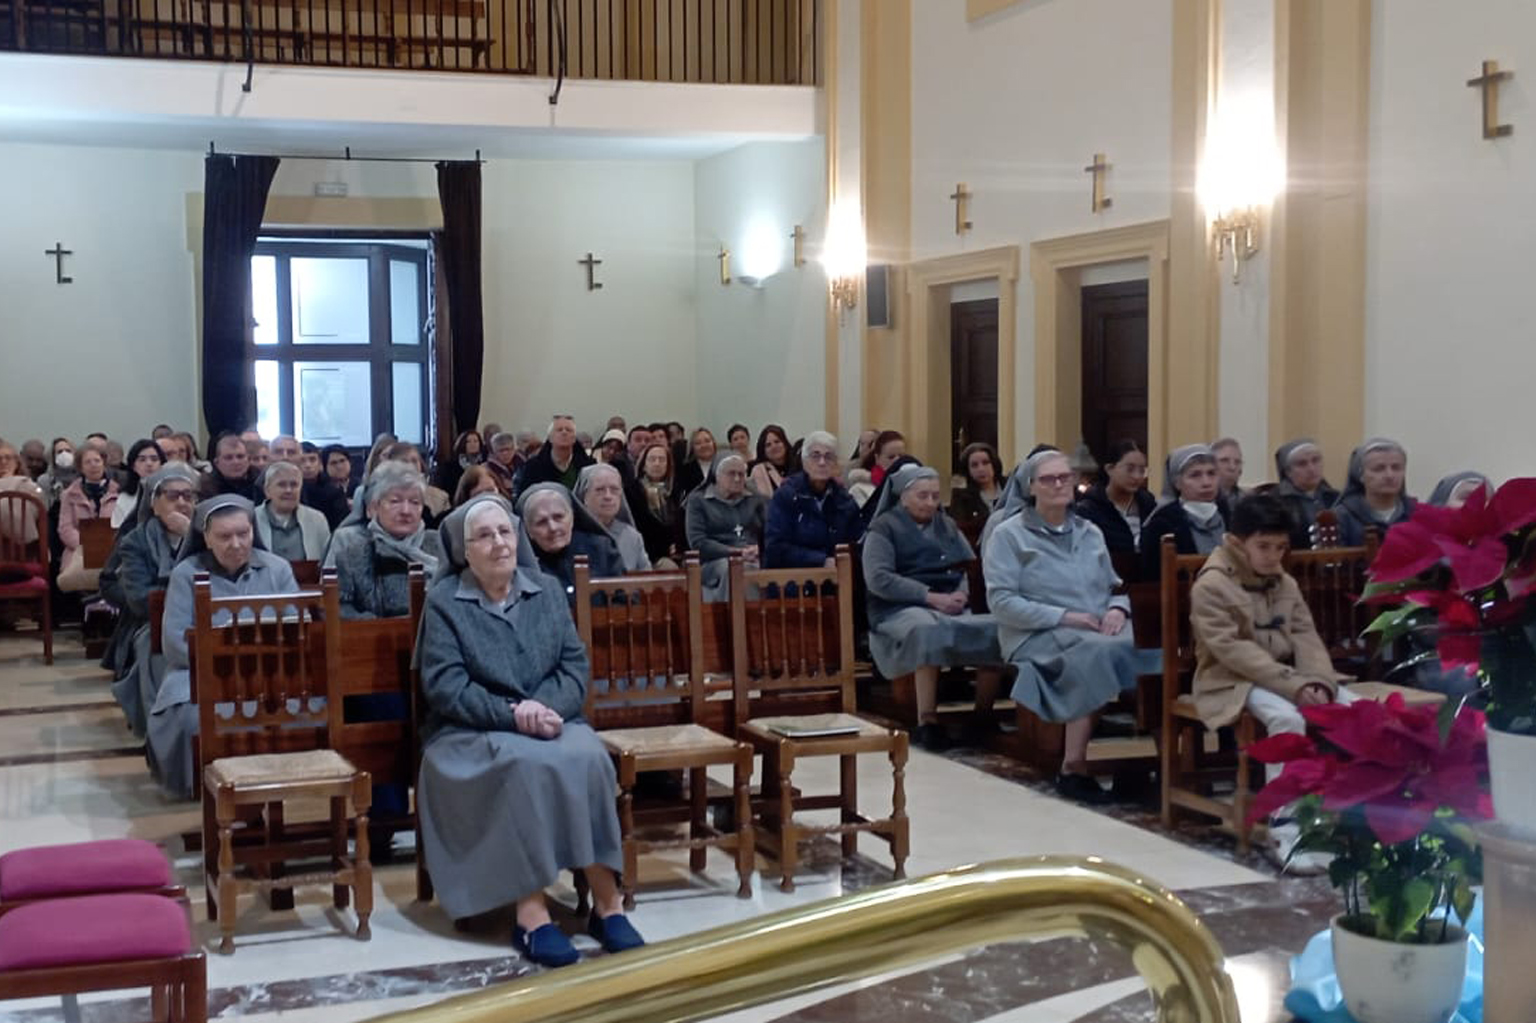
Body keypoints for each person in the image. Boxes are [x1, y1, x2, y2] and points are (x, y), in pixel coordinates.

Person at [415, 495, 643, 966]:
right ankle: (532, 912)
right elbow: (446, 686)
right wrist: (514, 714)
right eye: (485, 536)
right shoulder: (444, 602)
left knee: (589, 756)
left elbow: (574, 666)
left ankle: (607, 903)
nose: (499, 543)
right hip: (469, 731)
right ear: (465, 550)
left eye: (505, 531)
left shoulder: (546, 589)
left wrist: (545, 708)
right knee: (522, 765)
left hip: (550, 718)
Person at [1188, 494, 1358, 872]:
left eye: (1280, 547)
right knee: (1286, 720)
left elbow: (1306, 636)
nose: (1273, 556)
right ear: (1237, 543)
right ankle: (1285, 829)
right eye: (1263, 546)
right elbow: (1231, 651)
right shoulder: (1211, 585)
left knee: (1356, 712)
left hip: (1290, 676)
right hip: (1232, 680)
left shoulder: (1285, 582)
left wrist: (1319, 682)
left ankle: (1340, 822)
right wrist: (1294, 686)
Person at [983, 449, 1139, 805]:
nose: (1059, 484)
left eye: (1065, 477)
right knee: (1094, 653)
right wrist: (1064, 616)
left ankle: (1165, 758)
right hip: (1033, 633)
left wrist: (1118, 609)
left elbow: (1115, 586)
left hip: (1093, 626)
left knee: (1151, 645)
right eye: (1048, 479)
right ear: (1030, 487)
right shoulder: (1009, 535)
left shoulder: (1089, 531)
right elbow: (1002, 602)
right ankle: (1073, 766)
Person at [151, 495, 299, 798]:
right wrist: (228, 664)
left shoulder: (278, 569)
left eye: (243, 534)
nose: (236, 544)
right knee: (192, 718)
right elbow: (175, 643)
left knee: (303, 708)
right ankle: (209, 791)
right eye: (224, 536)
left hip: (269, 673)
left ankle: (277, 785)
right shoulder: (186, 574)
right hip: (201, 672)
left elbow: (299, 631)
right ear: (206, 538)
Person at [863, 464, 1002, 750]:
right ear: (903, 497)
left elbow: (966, 566)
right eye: (922, 496)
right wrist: (931, 597)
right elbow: (879, 578)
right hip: (898, 607)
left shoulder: (946, 524)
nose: (930, 503)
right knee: (927, 629)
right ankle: (927, 719)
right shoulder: (883, 528)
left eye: (935, 497)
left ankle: (983, 715)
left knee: (994, 628)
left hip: (949, 602)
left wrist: (962, 594)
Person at [99, 463, 198, 736]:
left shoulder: (208, 537)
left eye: (188, 496)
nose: (182, 503)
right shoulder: (136, 541)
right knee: (151, 645)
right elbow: (140, 600)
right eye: (172, 496)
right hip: (150, 623)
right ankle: (161, 730)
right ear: (154, 504)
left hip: (204, 619)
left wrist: (192, 536)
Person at [324, 461, 443, 619]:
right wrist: (376, 625)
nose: (406, 511)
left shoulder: (441, 545)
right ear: (374, 508)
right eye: (395, 501)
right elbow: (336, 608)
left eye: (415, 502)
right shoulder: (352, 556)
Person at [763, 431, 863, 569]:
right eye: (815, 456)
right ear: (804, 462)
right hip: (793, 577)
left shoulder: (844, 500)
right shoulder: (786, 496)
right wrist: (820, 560)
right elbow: (775, 548)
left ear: (835, 464)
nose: (822, 462)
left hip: (836, 576)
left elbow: (857, 543)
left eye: (828, 457)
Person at [516, 483, 625, 603]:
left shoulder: (602, 549)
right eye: (541, 522)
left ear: (572, 517)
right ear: (528, 530)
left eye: (558, 517)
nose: (552, 527)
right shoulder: (519, 563)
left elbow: (627, 602)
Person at [1138, 445, 1227, 582]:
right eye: (1195, 475)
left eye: (1211, 473)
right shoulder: (1161, 523)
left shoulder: (1232, 515)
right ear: (1177, 483)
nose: (1206, 482)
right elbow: (1153, 580)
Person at [685, 453, 765, 600]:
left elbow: (772, 531)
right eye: (731, 474)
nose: (737, 479)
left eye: (741, 474)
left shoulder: (755, 498)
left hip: (754, 556)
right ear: (717, 475)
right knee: (735, 569)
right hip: (715, 561)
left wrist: (759, 548)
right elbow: (698, 542)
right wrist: (735, 552)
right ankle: (738, 614)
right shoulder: (698, 500)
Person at [1072, 440, 1155, 559]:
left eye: (1142, 470)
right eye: (1130, 469)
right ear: (1110, 468)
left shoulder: (1149, 505)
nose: (1137, 476)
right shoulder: (1088, 509)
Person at [57, 443, 120, 592]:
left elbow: (124, 525)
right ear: (80, 467)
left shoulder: (119, 491)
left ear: (104, 463)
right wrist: (88, 545)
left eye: (97, 461)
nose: (93, 465)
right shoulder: (68, 495)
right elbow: (65, 528)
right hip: (79, 551)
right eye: (88, 462)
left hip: (113, 549)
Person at [1333, 437, 1417, 547]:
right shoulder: (1340, 518)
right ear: (1361, 475)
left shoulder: (1417, 513)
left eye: (1396, 468)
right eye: (1379, 469)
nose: (1389, 475)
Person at [574, 463, 651, 574]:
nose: (608, 496)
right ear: (584, 496)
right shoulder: (569, 536)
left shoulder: (632, 537)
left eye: (614, 490)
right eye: (600, 490)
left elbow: (647, 580)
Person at [254, 462, 331, 562]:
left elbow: (327, 561)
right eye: (281, 485)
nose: (288, 490)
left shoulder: (317, 520)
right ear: (267, 490)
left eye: (294, 485)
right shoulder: (252, 519)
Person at [1271, 439, 1340, 550]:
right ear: (1288, 472)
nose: (1311, 469)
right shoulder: (1275, 502)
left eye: (1316, 460)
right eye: (1302, 464)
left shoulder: (1335, 497)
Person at [515, 416, 595, 496]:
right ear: (550, 438)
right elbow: (524, 496)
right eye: (559, 430)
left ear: (574, 438)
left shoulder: (589, 466)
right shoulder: (533, 467)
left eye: (569, 430)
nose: (564, 432)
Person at [633, 442, 682, 565]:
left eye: (662, 460)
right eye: (652, 459)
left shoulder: (677, 491)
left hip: (676, 551)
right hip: (647, 554)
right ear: (644, 465)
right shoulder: (633, 492)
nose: (657, 463)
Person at [946, 442, 1007, 539]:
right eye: (974, 465)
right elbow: (959, 530)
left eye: (985, 463)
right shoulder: (962, 497)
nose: (981, 469)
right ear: (968, 470)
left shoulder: (1009, 487)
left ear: (994, 464)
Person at [384, 442, 451, 524]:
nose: (410, 466)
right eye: (404, 462)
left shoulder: (440, 497)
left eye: (414, 461)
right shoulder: (382, 495)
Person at [110, 439, 166, 529]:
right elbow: (118, 531)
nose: (149, 464)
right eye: (142, 460)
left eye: (154, 459)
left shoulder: (171, 494)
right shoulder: (125, 498)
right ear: (133, 466)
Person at [199, 432, 260, 501]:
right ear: (217, 463)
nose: (236, 462)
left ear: (248, 460)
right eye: (228, 458)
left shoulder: (260, 482)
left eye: (240, 456)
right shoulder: (207, 486)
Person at [748, 424, 796, 497]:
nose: (774, 446)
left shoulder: (798, 465)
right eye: (768, 445)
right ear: (763, 450)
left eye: (777, 442)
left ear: (785, 443)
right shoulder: (759, 470)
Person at [675, 428, 717, 498]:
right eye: (698, 443)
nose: (704, 446)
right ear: (692, 448)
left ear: (713, 443)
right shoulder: (684, 470)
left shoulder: (725, 465)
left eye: (707, 441)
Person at [37, 437, 78, 508]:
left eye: (68, 451)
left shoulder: (82, 477)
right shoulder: (45, 480)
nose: (64, 454)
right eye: (60, 452)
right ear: (53, 457)